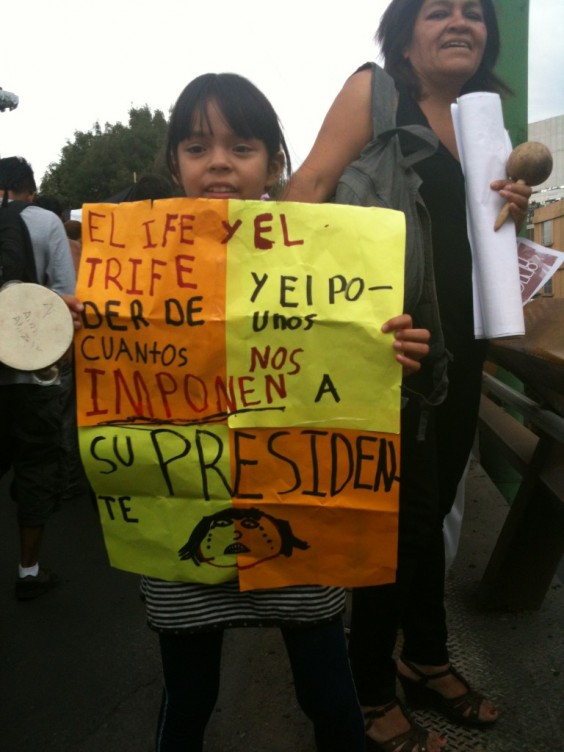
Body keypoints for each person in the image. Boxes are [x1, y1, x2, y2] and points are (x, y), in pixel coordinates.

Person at [137, 72, 430, 752]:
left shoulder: (324, 248)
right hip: (184, 521)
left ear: (275, 164)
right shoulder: (140, 258)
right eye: (197, 147)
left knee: (328, 693)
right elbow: (115, 367)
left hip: (303, 522)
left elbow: (356, 344)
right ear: (175, 163)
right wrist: (80, 336)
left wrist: (392, 346)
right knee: (189, 696)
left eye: (241, 147)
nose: (218, 163)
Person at [285, 2, 531, 750]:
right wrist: (301, 317)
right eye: (438, 11)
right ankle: (368, 688)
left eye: (474, 13)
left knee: (429, 517)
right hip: (391, 351)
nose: (461, 23)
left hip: (463, 350)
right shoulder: (376, 90)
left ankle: (424, 657)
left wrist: (515, 209)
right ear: (405, 29)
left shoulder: (485, 119)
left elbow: (477, 240)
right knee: (400, 526)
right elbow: (310, 189)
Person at [0, 157, 79, 600]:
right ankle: (29, 570)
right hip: (33, 376)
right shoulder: (46, 221)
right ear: (29, 189)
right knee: (36, 468)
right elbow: (66, 296)